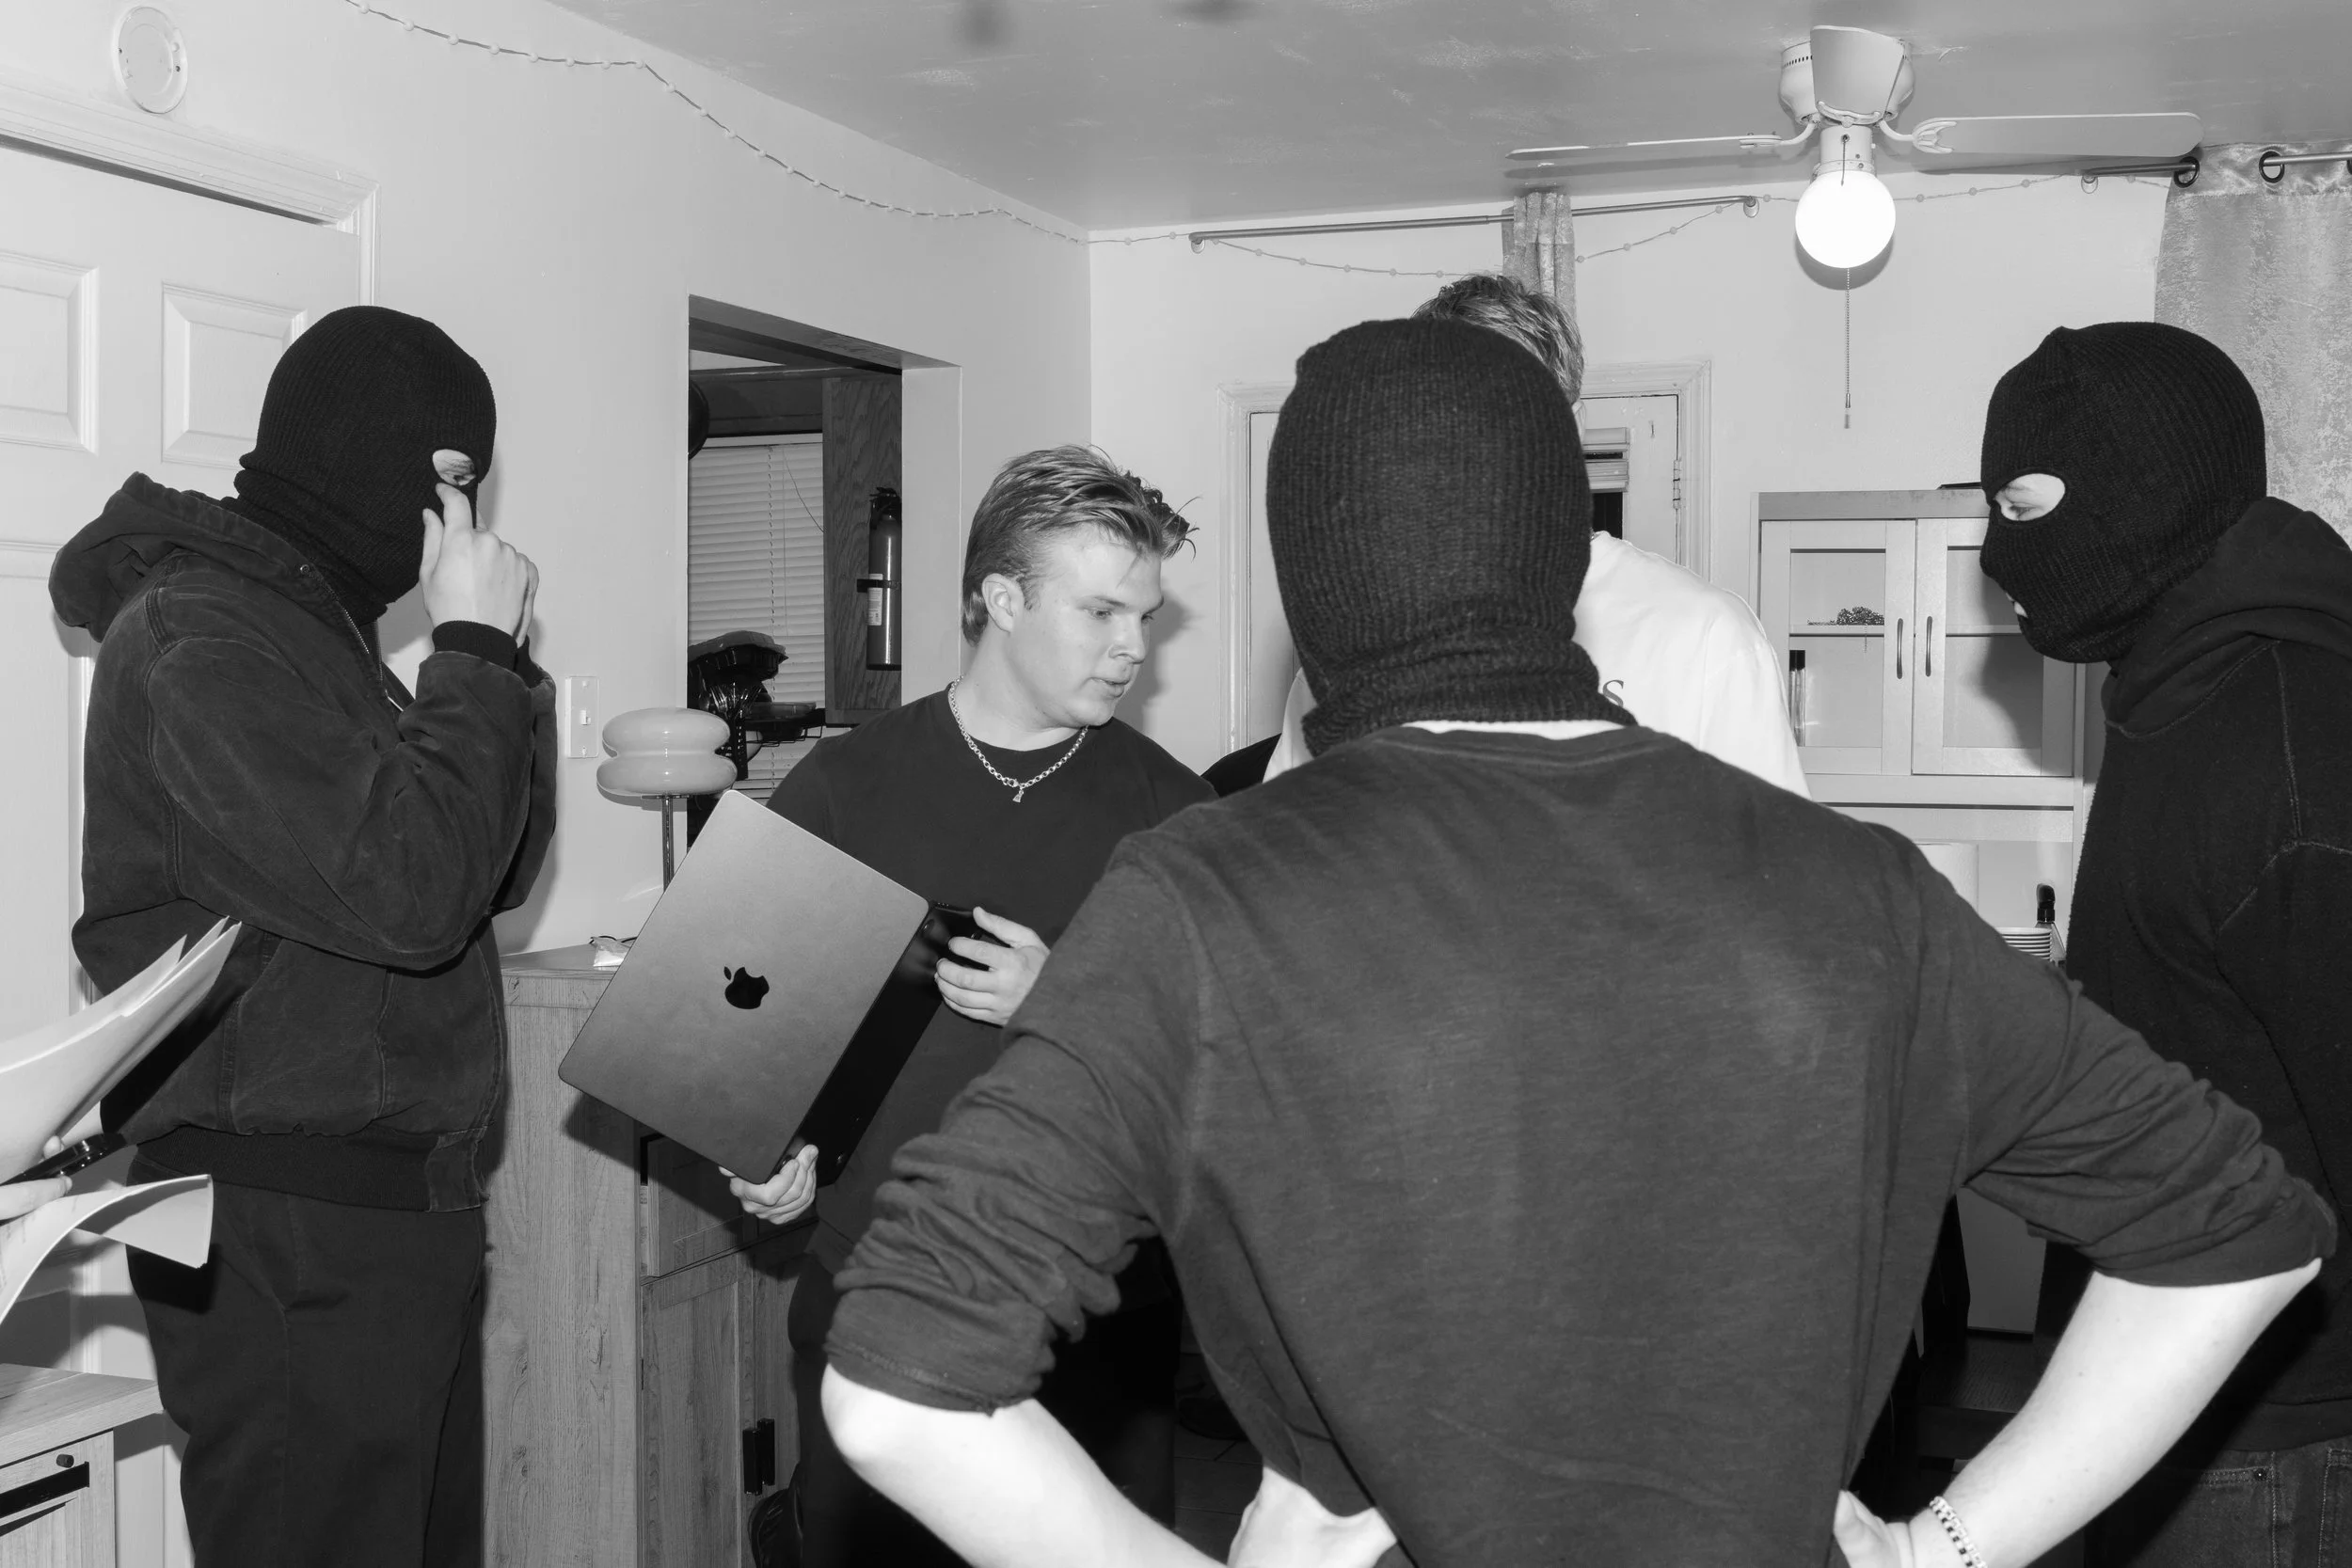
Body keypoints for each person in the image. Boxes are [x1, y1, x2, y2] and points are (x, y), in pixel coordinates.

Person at [808, 319, 2331, 1568]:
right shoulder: (1857, 888)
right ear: (1566, 549)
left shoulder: (1208, 894)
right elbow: (2243, 1233)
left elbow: (895, 1387)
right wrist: (1946, 1545)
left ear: (1313, 577)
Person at [48, 306, 555, 1566]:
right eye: (450, 476)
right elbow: (413, 890)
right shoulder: (202, 633)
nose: (463, 512)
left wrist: (497, 672)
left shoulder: (325, 640)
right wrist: (472, 648)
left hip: (389, 1217)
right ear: (363, 454)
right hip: (289, 1230)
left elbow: (486, 873)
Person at [726, 445, 1213, 1566]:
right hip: (873, 1294)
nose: (1133, 646)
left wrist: (1062, 997)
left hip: (1099, 1319)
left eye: (1144, 615)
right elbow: (743, 1036)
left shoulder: (1176, 814)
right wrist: (764, 1151)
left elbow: (1226, 1084)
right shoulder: (842, 785)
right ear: (1001, 598)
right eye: (1101, 611)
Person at [1978, 321, 2352, 1566]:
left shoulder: (2282, 744)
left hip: (2269, 1425)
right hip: (2169, 1381)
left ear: (2144, 493)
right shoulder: (2177, 691)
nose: (1996, 551)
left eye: (2023, 505)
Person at [1247, 273, 1805, 795]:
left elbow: (1769, 855)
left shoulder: (1703, 636)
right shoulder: (1352, 643)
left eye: (1509, 409)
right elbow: (1290, 834)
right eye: (1446, 409)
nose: (1473, 440)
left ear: (1572, 426)